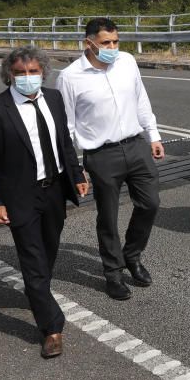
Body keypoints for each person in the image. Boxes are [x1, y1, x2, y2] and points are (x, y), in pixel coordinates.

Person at [0, 46, 89, 358]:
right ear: (8, 76)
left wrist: (76, 173)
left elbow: (63, 140)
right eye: (20, 73)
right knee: (33, 259)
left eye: (33, 72)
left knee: (48, 250)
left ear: (43, 73)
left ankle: (37, 291)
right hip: (20, 196)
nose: (27, 78)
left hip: (54, 190)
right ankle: (51, 327)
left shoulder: (53, 98)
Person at [57, 17, 165, 301]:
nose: (113, 47)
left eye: (116, 41)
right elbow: (66, 126)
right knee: (108, 217)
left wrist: (153, 135)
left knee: (151, 203)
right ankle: (113, 274)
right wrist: (74, 168)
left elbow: (141, 99)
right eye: (106, 43)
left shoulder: (127, 62)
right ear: (89, 43)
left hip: (136, 145)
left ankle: (132, 256)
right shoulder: (69, 77)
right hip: (101, 155)